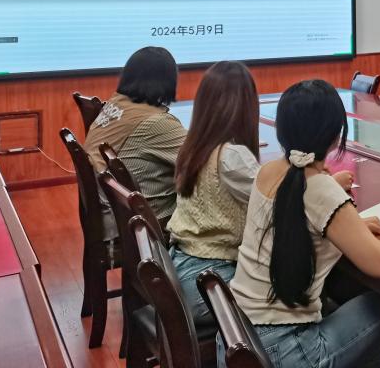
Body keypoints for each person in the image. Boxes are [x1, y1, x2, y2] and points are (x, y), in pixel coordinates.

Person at [228, 79, 380, 368]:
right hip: (284, 350)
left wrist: (353, 227)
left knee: (373, 335)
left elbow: (297, 219)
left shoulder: (268, 171)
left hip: (237, 337)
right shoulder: (321, 189)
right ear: (335, 135)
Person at [167, 61, 261, 324]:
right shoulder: (232, 156)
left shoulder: (193, 146)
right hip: (210, 285)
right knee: (301, 286)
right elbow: (279, 203)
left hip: (181, 270)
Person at [84, 46, 185, 223]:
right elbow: (203, 159)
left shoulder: (116, 103)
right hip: (144, 221)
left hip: (108, 207)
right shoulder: (155, 123)